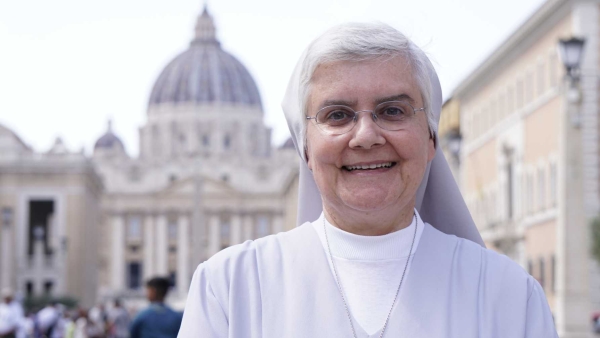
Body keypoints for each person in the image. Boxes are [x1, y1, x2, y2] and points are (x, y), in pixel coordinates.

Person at [178, 22, 558, 337]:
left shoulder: (510, 295)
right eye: (338, 115)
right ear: (305, 148)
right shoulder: (227, 288)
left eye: (392, 110)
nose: (366, 136)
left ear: (430, 139)